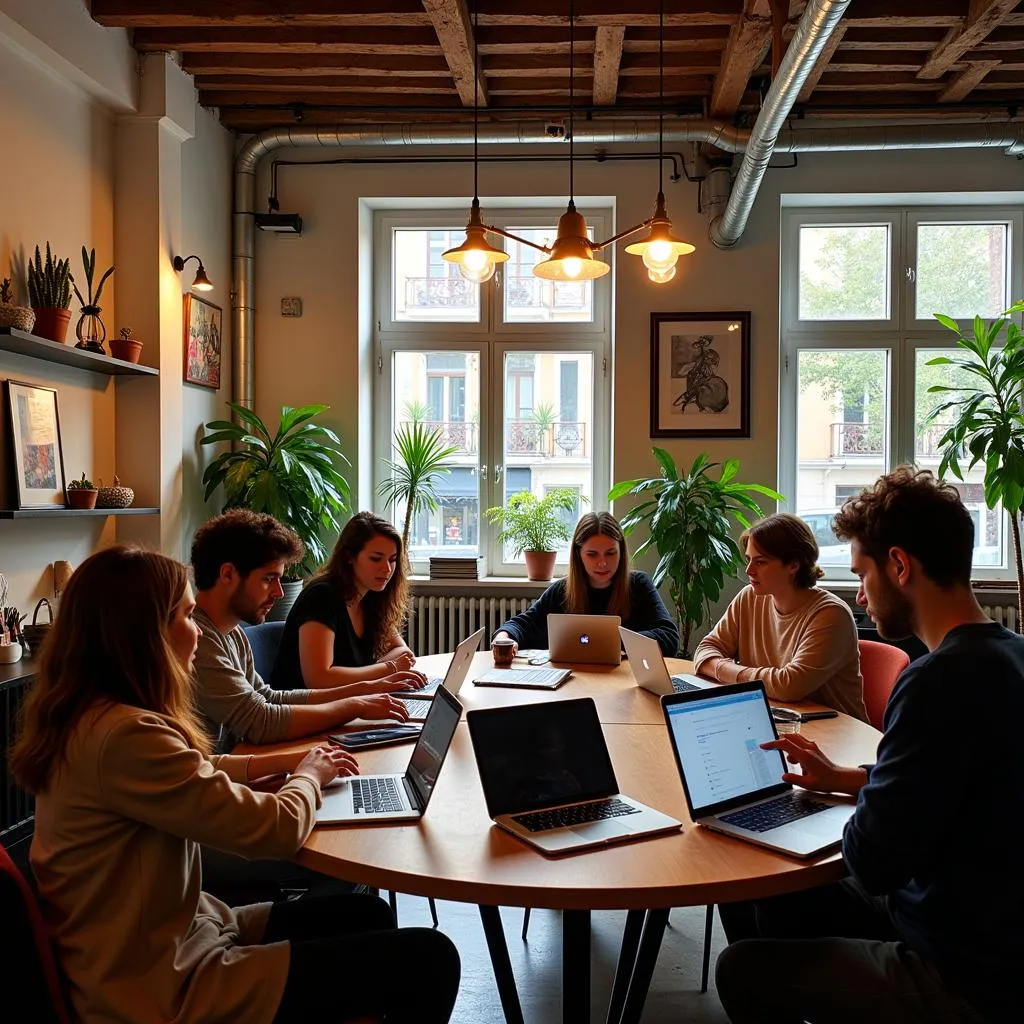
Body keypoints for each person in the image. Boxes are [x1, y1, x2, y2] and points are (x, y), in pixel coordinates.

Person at [9, 545, 461, 1024]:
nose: (196, 635)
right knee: (431, 958)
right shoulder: (127, 735)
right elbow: (277, 830)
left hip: (181, 933)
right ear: (144, 635)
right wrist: (307, 775)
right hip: (165, 986)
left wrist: (280, 767)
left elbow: (193, 769)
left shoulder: (93, 716)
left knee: (364, 916)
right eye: (185, 616)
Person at [714, 467, 1024, 1024]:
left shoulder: (936, 681)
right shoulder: (1013, 656)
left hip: (963, 968)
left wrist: (830, 809)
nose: (858, 592)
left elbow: (872, 860)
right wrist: (847, 778)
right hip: (989, 919)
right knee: (762, 890)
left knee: (741, 968)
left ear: (900, 566)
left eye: (861, 572)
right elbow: (957, 779)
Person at [190, 509, 418, 753]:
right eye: (269, 579)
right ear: (228, 574)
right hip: (216, 779)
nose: (279, 593)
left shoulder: (231, 633)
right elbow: (258, 720)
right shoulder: (197, 640)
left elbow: (269, 697)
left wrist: (366, 691)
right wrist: (354, 706)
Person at [693, 511, 866, 720]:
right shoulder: (749, 597)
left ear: (793, 565)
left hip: (836, 735)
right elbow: (705, 651)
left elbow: (788, 686)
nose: (749, 570)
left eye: (761, 562)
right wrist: (730, 670)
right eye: (748, 559)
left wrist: (725, 670)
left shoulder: (830, 614)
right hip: (773, 720)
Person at [271, 511, 424, 691]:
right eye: (376, 559)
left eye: (393, 560)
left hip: (349, 701)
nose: (387, 569)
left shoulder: (372, 596)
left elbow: (404, 653)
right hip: (305, 710)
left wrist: (380, 671)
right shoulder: (321, 596)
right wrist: (389, 668)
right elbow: (318, 679)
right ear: (350, 557)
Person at [492, 511, 679, 656]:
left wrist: (612, 640)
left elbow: (670, 637)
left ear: (621, 552)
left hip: (625, 682)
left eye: (610, 553)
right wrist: (504, 637)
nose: (603, 563)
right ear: (578, 555)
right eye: (592, 554)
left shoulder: (639, 585)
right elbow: (522, 624)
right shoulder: (562, 590)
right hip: (573, 685)